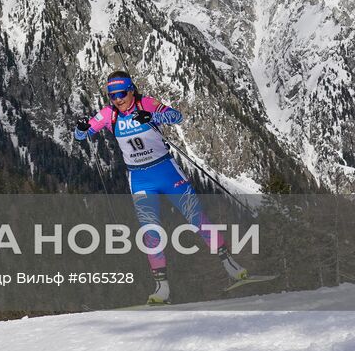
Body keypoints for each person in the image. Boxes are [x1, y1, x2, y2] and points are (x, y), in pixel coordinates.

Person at [74, 71, 248, 305]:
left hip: (165, 171)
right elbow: (81, 136)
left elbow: (177, 117)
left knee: (196, 217)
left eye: (121, 94)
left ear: (131, 90)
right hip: (139, 179)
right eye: (112, 95)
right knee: (150, 232)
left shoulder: (146, 103)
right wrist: (81, 128)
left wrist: (153, 116)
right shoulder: (109, 114)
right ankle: (162, 288)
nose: (117, 99)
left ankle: (230, 264)